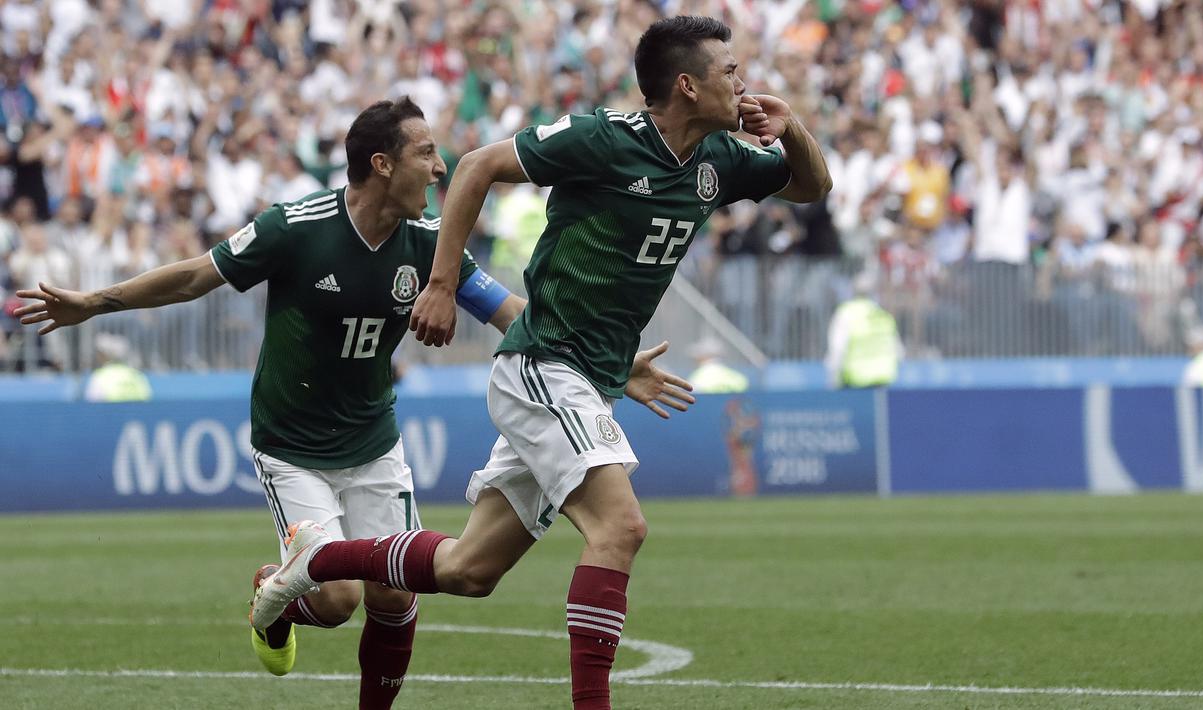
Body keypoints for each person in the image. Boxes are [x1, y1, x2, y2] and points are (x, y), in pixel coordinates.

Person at [15, 97, 693, 710]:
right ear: (381, 162)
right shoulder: (296, 227)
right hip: (293, 448)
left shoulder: (430, 246)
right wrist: (94, 304)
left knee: (396, 597)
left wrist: (595, 359)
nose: (439, 168)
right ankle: (275, 601)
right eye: (425, 153)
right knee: (337, 603)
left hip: (373, 441)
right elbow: (197, 276)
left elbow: (502, 309)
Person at [249, 16, 831, 710]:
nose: (742, 81)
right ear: (687, 84)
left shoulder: (719, 160)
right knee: (620, 528)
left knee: (469, 570)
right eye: (729, 70)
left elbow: (809, 187)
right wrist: (438, 283)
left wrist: (790, 127)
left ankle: (311, 564)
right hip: (544, 368)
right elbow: (477, 165)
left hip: (589, 381)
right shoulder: (603, 140)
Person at [826, 272, 902, 389]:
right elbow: (899, 352)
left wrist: (833, 379)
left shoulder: (846, 313)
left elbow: (837, 348)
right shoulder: (883, 315)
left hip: (855, 381)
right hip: (883, 380)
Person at [82, 333, 151, 402]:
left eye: (99, 353)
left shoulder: (100, 376)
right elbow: (146, 397)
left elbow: (93, 402)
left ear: (105, 355)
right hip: (136, 412)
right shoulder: (136, 374)